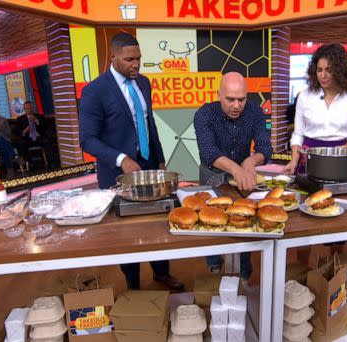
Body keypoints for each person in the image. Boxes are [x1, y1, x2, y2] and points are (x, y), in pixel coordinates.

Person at [79, 32, 183, 291]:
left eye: (139, 58)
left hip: (148, 167)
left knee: (158, 225)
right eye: (129, 59)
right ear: (112, 57)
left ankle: (162, 273)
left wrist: (159, 160)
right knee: (127, 232)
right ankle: (133, 286)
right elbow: (87, 140)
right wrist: (121, 158)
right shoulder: (94, 91)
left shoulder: (144, 83)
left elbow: (149, 124)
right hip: (117, 173)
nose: (135, 64)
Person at [194, 71, 272, 284]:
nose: (236, 105)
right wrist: (237, 169)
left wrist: (251, 161)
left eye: (241, 99)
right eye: (230, 99)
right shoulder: (204, 114)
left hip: (243, 176)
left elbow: (266, 148)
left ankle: (244, 267)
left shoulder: (255, 112)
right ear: (219, 94)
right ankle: (213, 260)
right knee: (211, 218)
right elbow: (208, 152)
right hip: (212, 174)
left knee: (242, 218)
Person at [282, 43, 347, 175]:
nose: (323, 75)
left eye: (329, 70)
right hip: (308, 157)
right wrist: (294, 160)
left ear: (340, 71)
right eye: (319, 70)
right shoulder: (305, 95)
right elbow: (298, 134)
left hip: (340, 155)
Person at [14, 101, 49, 168]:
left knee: (47, 142)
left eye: (31, 108)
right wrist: (24, 131)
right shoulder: (20, 119)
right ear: (25, 110)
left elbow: (45, 128)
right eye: (27, 108)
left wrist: (36, 121)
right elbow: (17, 131)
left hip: (39, 138)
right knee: (21, 144)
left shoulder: (40, 117)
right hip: (27, 139)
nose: (29, 110)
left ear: (33, 108)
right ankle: (27, 164)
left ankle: (50, 163)